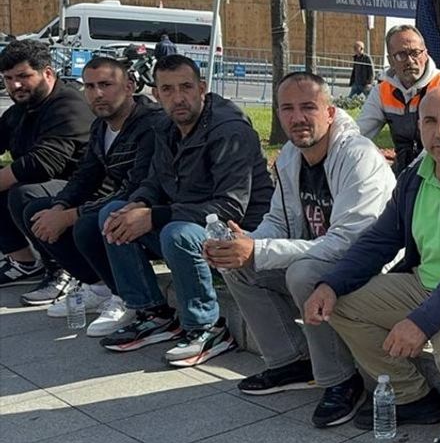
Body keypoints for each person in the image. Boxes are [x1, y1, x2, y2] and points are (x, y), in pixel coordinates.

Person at [303, 86, 440, 443]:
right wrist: (331, 284)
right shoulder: (418, 171)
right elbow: (382, 238)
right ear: (418, 127)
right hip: (423, 281)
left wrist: (421, 322)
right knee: (343, 305)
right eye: (430, 122)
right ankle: (411, 396)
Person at [209, 73, 396, 427]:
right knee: (235, 264)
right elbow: (279, 221)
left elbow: (349, 243)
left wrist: (260, 250)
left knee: (304, 272)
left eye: (308, 107)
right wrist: (243, 244)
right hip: (316, 257)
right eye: (287, 109)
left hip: (369, 269)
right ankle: (292, 362)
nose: (297, 118)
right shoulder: (291, 157)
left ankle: (342, 380)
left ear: (330, 111)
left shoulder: (359, 157)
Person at [97, 54, 273, 367]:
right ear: (156, 94)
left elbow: (231, 206)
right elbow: (154, 181)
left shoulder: (229, 129)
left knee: (177, 234)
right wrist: (138, 204)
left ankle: (207, 327)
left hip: (238, 231)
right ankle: (153, 311)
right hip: (186, 220)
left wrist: (155, 215)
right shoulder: (165, 126)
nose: (179, 98)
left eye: (186, 87)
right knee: (113, 214)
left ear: (202, 88)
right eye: (168, 90)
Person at [20, 55, 163, 336]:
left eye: (106, 84)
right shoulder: (101, 125)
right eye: (89, 86)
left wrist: (69, 216)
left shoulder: (151, 125)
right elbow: (86, 176)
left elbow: (137, 188)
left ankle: (128, 298)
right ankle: (98, 287)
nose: (97, 93)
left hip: (149, 209)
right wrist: (59, 207)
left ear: (130, 86)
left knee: (89, 223)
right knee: (35, 210)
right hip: (118, 202)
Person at [0, 40, 92, 291]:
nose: (15, 85)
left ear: (48, 73)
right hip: (51, 186)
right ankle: (24, 262)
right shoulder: (22, 107)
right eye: (8, 78)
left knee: (22, 193)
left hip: (84, 189)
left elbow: (42, 164)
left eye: (23, 76)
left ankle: (64, 268)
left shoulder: (69, 105)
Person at [356, 25, 440, 174]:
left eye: (415, 53)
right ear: (390, 61)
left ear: (426, 54)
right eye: (401, 55)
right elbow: (358, 134)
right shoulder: (382, 90)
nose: (410, 60)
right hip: (403, 172)